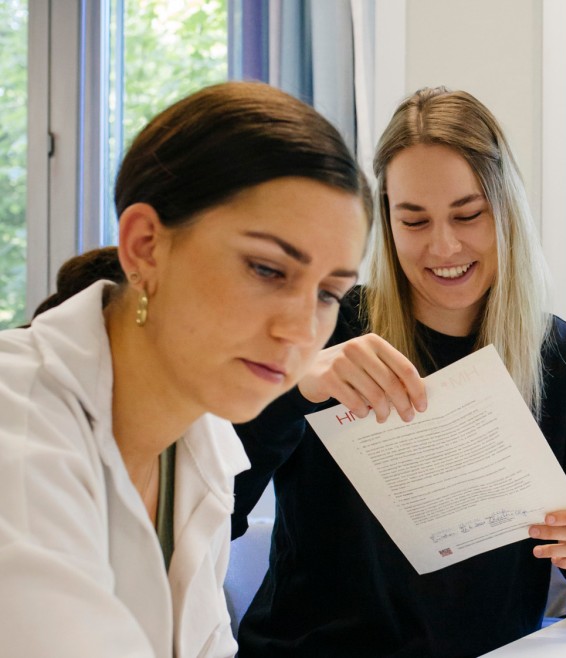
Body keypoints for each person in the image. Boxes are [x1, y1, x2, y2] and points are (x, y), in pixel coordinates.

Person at [231, 87, 566, 657]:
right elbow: (211, 510)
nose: (443, 246)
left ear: (505, 210)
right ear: (386, 222)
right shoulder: (326, 328)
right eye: (414, 221)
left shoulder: (555, 356)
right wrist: (294, 388)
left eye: (468, 215)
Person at [0, 81, 372, 657]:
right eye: (267, 270)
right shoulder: (17, 433)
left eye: (328, 293)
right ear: (145, 246)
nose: (301, 330)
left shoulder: (202, 446)